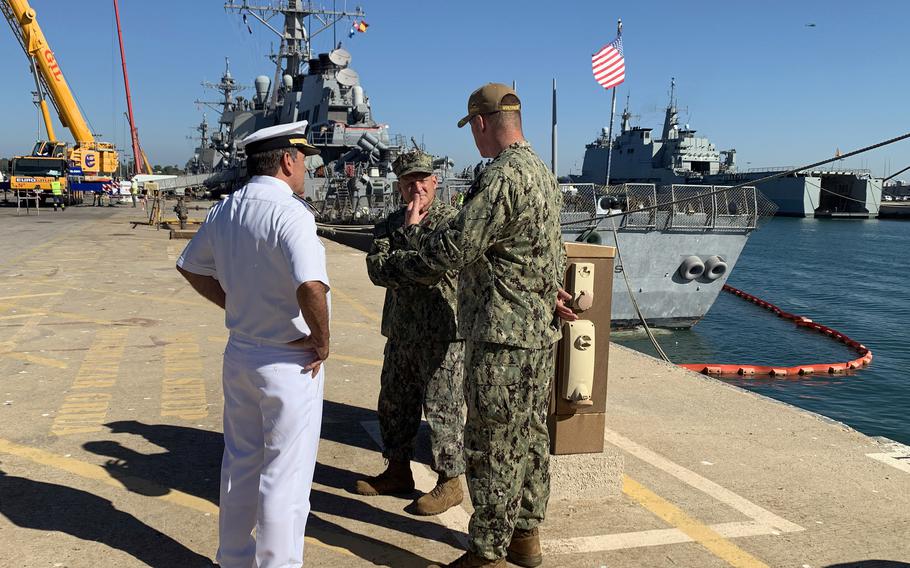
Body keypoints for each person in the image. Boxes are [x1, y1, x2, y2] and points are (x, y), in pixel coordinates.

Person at [402, 84, 576, 568]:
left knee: (491, 445)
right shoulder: (542, 172)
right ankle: (525, 537)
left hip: (501, 336)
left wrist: (413, 241)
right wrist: (547, 292)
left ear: (481, 123)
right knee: (531, 437)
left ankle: (487, 553)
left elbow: (457, 247)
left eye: (473, 130)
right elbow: (545, 251)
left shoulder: (500, 178)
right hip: (538, 333)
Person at [175, 120, 330, 568]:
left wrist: (232, 304)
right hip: (288, 359)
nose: (305, 168)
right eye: (303, 159)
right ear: (287, 160)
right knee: (285, 478)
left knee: (240, 465)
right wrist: (321, 343)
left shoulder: (227, 209)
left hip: (240, 351)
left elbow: (191, 266)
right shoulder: (291, 213)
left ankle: (234, 560)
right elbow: (311, 286)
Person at [355, 150, 466, 515]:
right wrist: (410, 249)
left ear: (435, 181)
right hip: (401, 332)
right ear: (399, 186)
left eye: (422, 179)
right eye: (408, 181)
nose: (416, 187)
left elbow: (433, 268)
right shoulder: (389, 224)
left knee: (443, 409)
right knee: (394, 404)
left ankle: (450, 482)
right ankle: (397, 471)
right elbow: (377, 270)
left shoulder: (452, 223)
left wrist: (409, 250)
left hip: (441, 334)